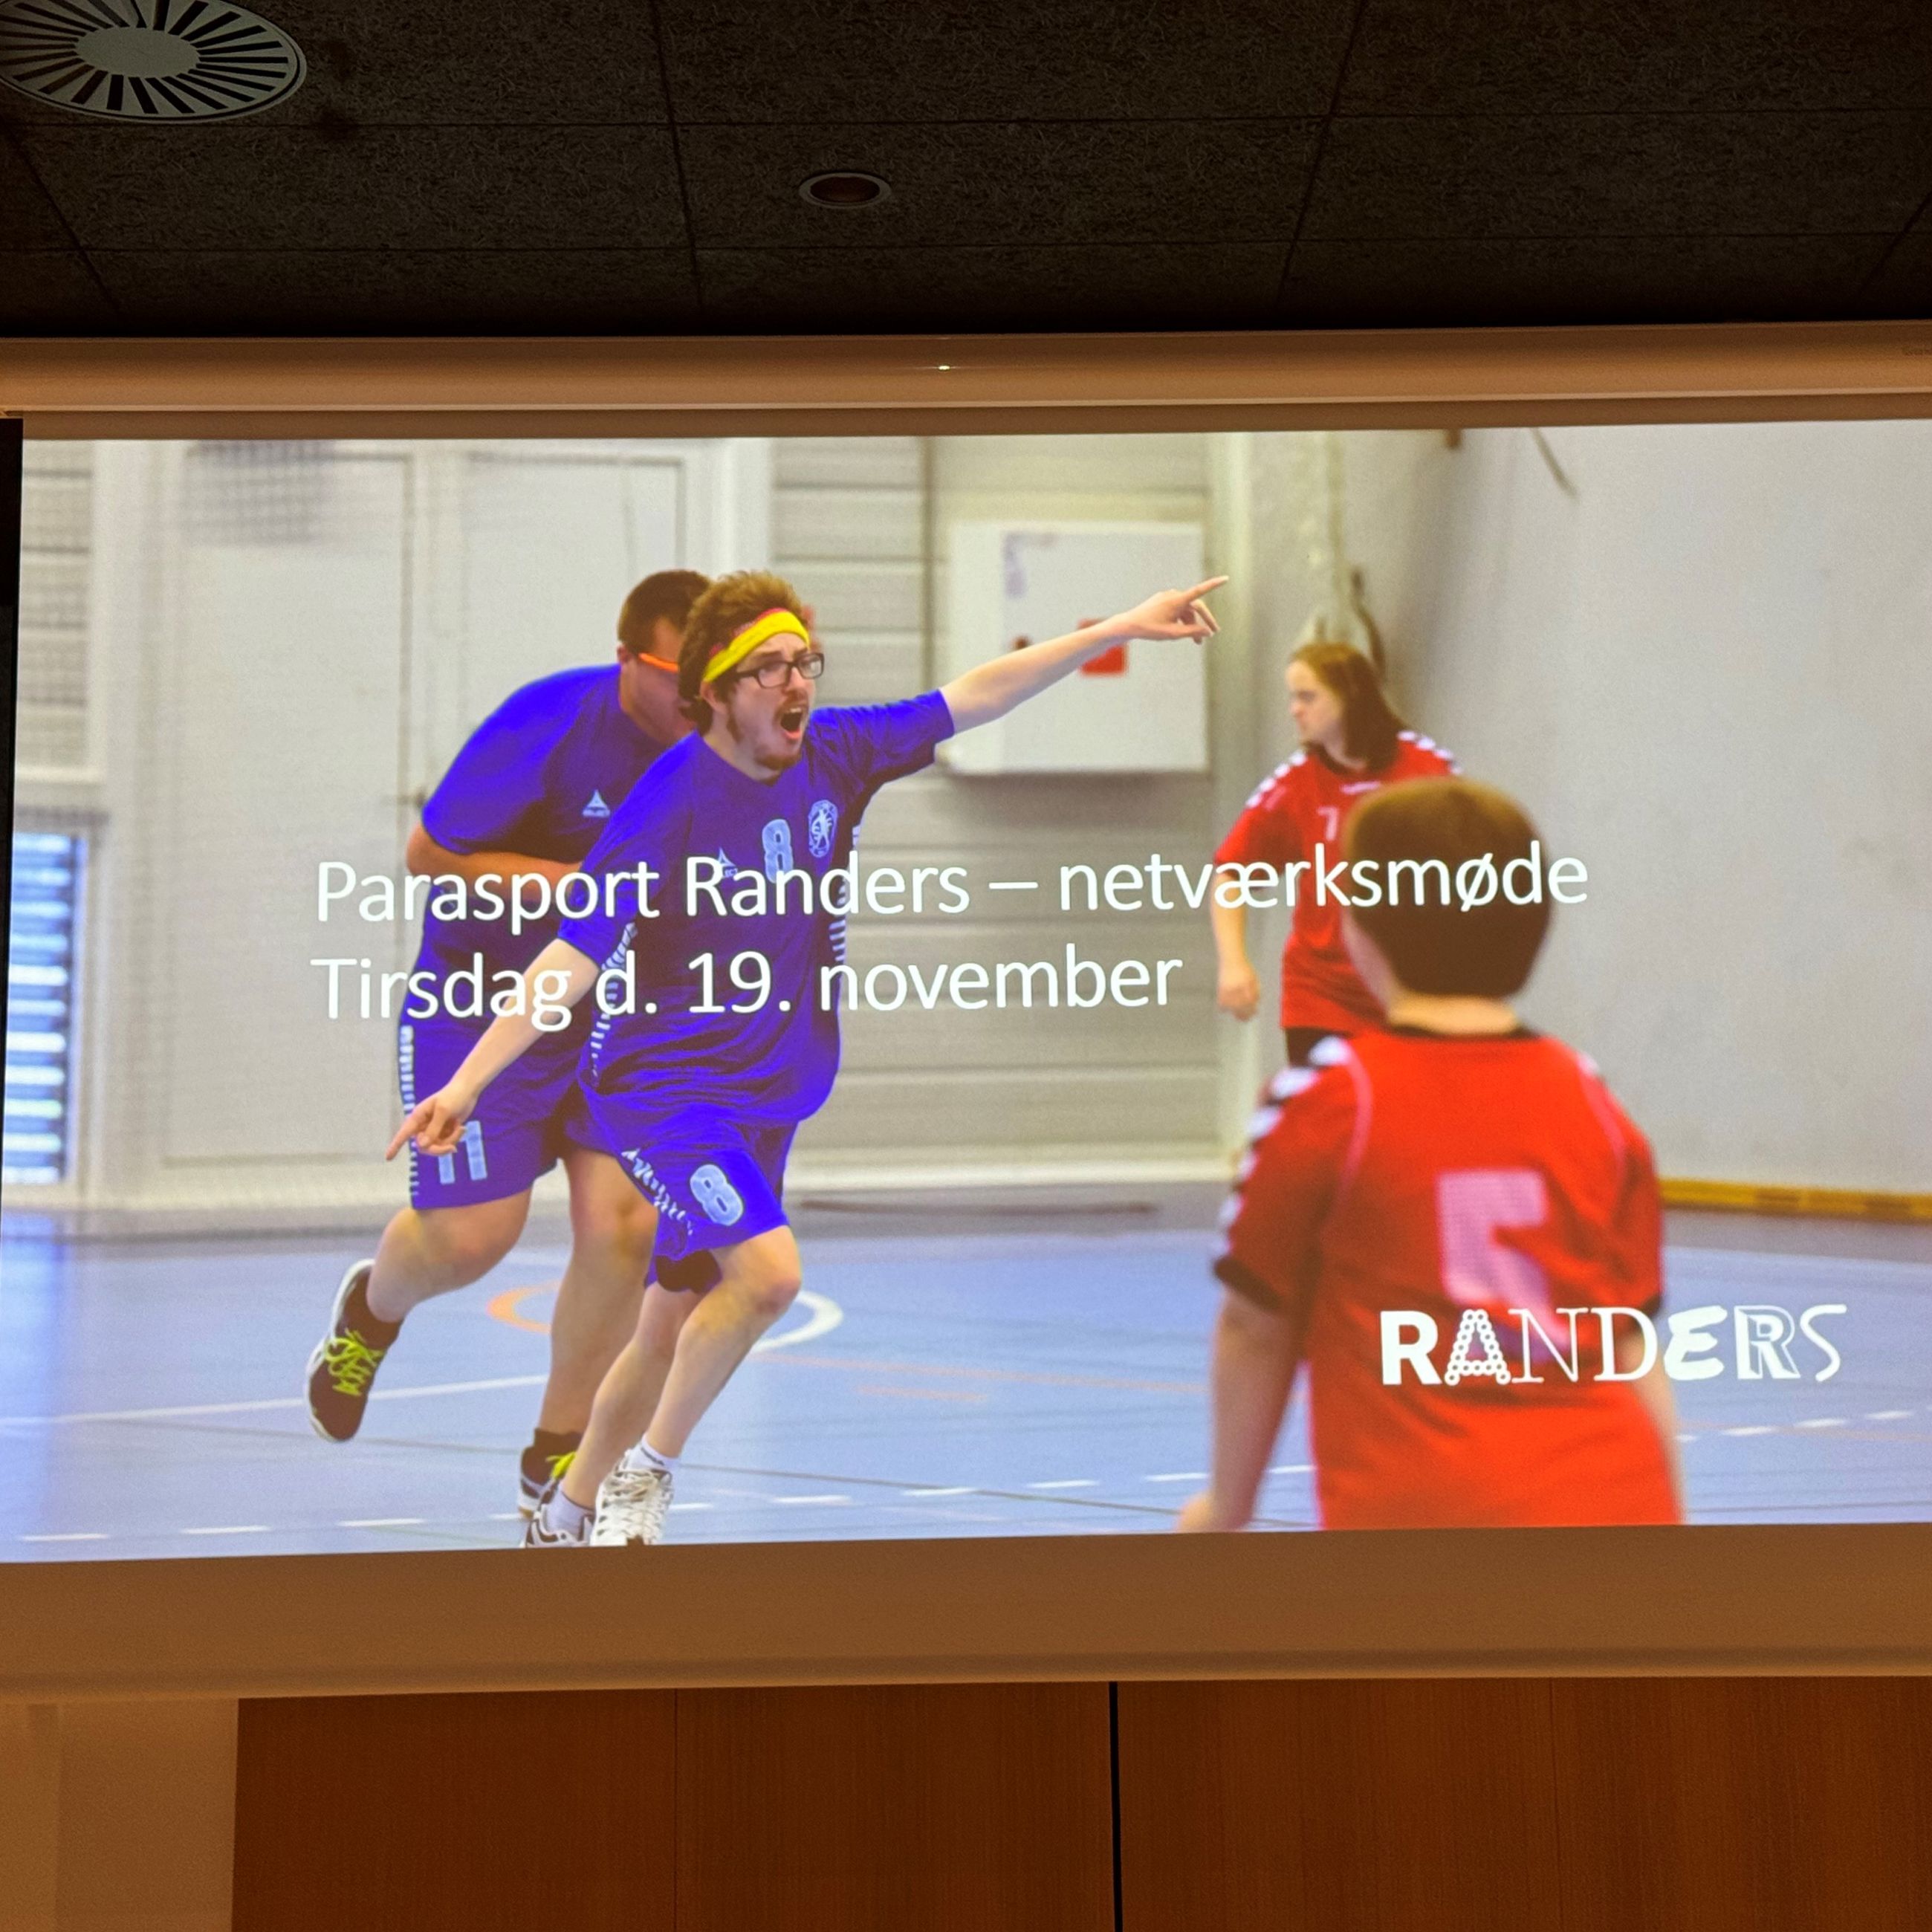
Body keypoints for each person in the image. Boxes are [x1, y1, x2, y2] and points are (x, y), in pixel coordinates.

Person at [389, 565, 1225, 1547]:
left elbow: (977, 694)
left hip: (769, 1095)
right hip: (666, 1091)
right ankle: (645, 1478)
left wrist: (1119, 624)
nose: (796, 683)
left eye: (804, 662)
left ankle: (565, 1512)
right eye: (770, 668)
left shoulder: (836, 753)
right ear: (717, 690)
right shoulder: (667, 802)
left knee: (668, 1325)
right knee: (770, 1276)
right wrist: (467, 1082)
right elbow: (573, 957)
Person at [307, 568, 710, 1515]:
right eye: (675, 677)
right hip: (482, 999)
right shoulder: (547, 722)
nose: (693, 699)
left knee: (626, 1226)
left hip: (616, 1014)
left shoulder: (717, 746)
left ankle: (556, 1449)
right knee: (471, 1236)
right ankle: (371, 1311)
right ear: (626, 660)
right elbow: (427, 854)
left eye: (709, 676)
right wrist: (569, 886)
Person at [1180, 777, 1682, 1533]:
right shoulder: (1589, 1097)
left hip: (1423, 1514)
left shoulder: (1333, 1100)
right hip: (1614, 1500)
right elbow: (1630, 1339)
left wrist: (1227, 1508)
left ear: (1360, 925)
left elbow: (1254, 1325)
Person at [1213, 638, 1457, 1066]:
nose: (1295, 710)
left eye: (1308, 697)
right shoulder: (1294, 785)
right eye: (1292, 697)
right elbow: (1230, 872)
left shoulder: (1428, 769)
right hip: (1323, 995)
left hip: (1413, 988)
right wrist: (1234, 963)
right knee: (1330, 1108)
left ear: (1351, 696)